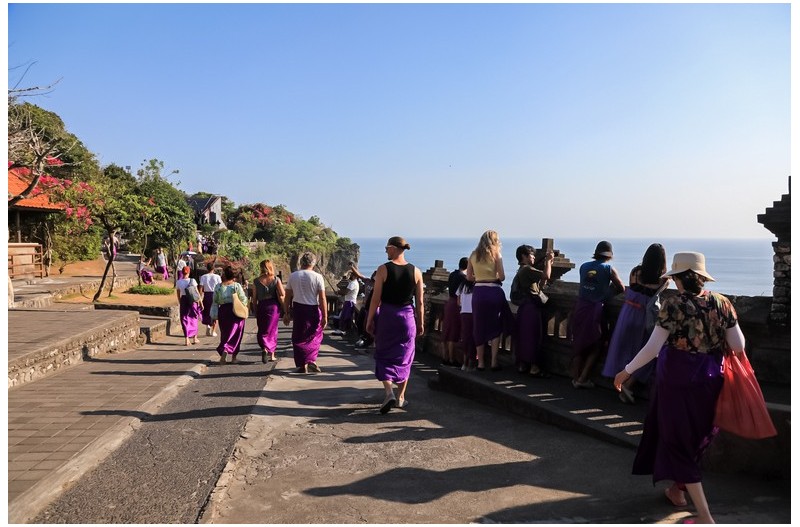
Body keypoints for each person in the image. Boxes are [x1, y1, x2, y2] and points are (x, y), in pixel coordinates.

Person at [614, 252, 745, 524]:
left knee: (676, 440)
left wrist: (626, 371)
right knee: (697, 437)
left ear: (678, 279)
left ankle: (705, 517)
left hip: (677, 379)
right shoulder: (722, 303)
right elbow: (738, 346)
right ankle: (677, 490)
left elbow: (652, 348)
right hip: (711, 378)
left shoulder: (673, 305)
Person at [602, 243, 668, 403]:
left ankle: (619, 381)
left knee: (622, 348)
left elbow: (629, 290)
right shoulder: (662, 280)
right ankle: (629, 384)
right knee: (645, 353)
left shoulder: (635, 272)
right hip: (643, 317)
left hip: (627, 313)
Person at [366, 236, 424, 414]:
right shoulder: (416, 271)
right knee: (405, 356)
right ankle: (400, 397)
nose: (385, 251)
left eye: (387, 248)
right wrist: (420, 323)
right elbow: (420, 302)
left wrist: (369, 320)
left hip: (388, 316)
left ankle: (389, 392)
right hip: (407, 317)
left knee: (383, 353)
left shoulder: (383, 269)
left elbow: (375, 299)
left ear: (393, 248)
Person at [570, 240, 625, 389]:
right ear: (609, 255)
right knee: (596, 344)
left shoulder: (584, 266)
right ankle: (583, 378)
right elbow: (621, 288)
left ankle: (575, 378)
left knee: (579, 343)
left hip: (580, 307)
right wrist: (606, 294)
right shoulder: (609, 269)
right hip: (596, 309)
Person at [466, 230, 513, 371]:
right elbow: (503, 277)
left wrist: (479, 278)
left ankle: (480, 363)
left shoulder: (473, 255)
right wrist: (493, 276)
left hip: (479, 292)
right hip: (493, 291)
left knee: (478, 326)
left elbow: (468, 277)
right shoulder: (496, 254)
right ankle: (493, 362)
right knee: (495, 326)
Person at [511, 244, 554, 377]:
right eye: (531, 255)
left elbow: (539, 285)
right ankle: (534, 367)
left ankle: (523, 364)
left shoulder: (521, 270)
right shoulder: (527, 269)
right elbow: (546, 275)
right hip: (531, 308)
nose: (534, 257)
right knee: (534, 336)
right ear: (524, 256)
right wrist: (548, 262)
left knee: (524, 336)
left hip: (525, 308)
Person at [283, 252, 327, 374]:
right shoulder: (318, 277)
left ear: (301, 262)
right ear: (313, 263)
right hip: (313, 308)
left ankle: (303, 364)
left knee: (298, 336)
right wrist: (325, 316)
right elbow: (323, 298)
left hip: (298, 309)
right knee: (315, 335)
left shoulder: (293, 276)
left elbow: (287, 296)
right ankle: (311, 360)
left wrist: (286, 312)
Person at [250, 259, 285, 363]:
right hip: (273, 307)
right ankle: (271, 354)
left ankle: (264, 348)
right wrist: (285, 309)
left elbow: (254, 297)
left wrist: (255, 310)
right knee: (272, 330)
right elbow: (282, 294)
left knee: (262, 329)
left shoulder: (256, 281)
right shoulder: (275, 279)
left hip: (261, 306)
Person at [213, 266, 248, 364]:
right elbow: (243, 299)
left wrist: (214, 315)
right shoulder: (236, 286)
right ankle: (233, 357)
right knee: (236, 334)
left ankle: (224, 349)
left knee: (225, 334)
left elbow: (215, 301)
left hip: (223, 311)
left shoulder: (218, 286)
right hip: (236, 311)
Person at [441, 257, 468, 367]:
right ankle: (451, 359)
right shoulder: (463, 277)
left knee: (446, 331)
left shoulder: (452, 274)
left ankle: (444, 357)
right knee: (453, 333)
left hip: (449, 302)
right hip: (456, 304)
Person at [175, 266, 202, 346]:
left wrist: (180, 302)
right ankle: (195, 338)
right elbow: (197, 293)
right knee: (194, 317)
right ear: (189, 272)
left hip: (183, 300)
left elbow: (178, 294)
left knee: (184, 318)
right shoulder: (192, 280)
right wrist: (201, 302)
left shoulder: (178, 282)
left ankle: (186, 339)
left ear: (182, 272)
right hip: (192, 300)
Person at [352, 267, 377, 350]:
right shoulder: (367, 281)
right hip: (364, 306)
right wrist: (351, 267)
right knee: (359, 322)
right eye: (373, 274)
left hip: (372, 308)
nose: (373, 275)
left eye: (375, 274)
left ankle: (370, 341)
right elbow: (359, 275)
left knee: (370, 326)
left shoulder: (379, 285)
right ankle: (361, 337)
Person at [456, 279, 477, 371]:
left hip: (464, 313)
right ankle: (471, 363)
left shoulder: (462, 285)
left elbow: (458, 301)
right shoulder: (477, 285)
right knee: (473, 339)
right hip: (474, 314)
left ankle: (464, 363)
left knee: (465, 338)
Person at [332, 271, 359, 337]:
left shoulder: (353, 283)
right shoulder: (352, 283)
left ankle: (344, 330)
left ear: (355, 276)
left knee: (346, 317)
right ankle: (342, 329)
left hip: (350, 302)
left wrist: (338, 292)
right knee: (344, 316)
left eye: (352, 275)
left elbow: (345, 292)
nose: (350, 275)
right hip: (348, 301)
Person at [199, 261, 221, 337]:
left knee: (207, 311)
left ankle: (208, 326)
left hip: (207, 295)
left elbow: (201, 288)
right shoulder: (217, 277)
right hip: (215, 295)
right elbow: (220, 288)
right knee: (215, 313)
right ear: (213, 268)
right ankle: (213, 331)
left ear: (206, 268)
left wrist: (200, 298)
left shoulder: (203, 277)